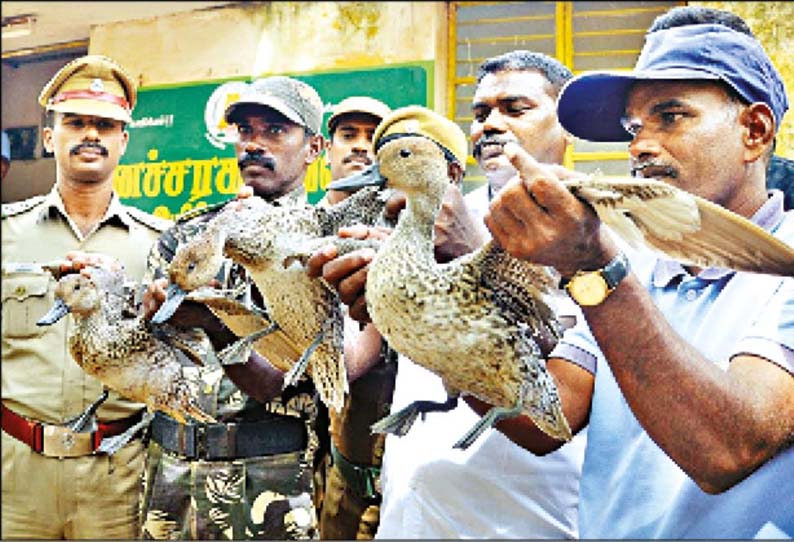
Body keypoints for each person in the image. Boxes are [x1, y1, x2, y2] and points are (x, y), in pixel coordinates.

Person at [484, 6, 793, 539]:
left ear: (754, 130)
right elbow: (543, 419)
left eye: (671, 116)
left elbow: (727, 448)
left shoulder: (784, 263)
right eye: (634, 127)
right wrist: (425, 315)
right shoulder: (641, 263)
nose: (639, 147)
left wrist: (597, 270)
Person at [308, 94, 584, 538]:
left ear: (567, 127)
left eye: (516, 109)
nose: (490, 125)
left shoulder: (587, 231)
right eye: (480, 114)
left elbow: (563, 351)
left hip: (520, 518)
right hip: (412, 512)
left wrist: (471, 249)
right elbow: (354, 358)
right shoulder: (404, 229)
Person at [139, 76, 325, 540]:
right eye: (245, 131)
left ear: (314, 148)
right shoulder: (186, 238)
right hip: (173, 481)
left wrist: (220, 325)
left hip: (272, 484)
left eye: (275, 131)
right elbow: (147, 357)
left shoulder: (324, 249)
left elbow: (304, 375)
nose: (254, 144)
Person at [1, 55, 171, 539]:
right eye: (75, 122)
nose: (90, 134)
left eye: (105, 124)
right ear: (51, 137)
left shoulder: (158, 244)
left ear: (124, 141)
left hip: (116, 479)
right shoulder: (7, 234)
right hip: (15, 478)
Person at [312, 95, 397, 540]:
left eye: (374, 139)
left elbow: (354, 360)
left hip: (387, 466)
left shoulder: (405, 230)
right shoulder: (303, 227)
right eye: (348, 135)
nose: (361, 147)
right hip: (317, 467)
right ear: (327, 148)